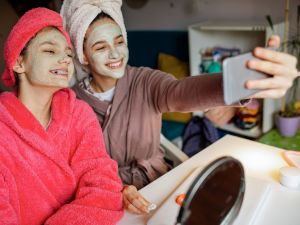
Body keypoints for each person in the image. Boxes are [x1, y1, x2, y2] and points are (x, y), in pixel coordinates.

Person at [60, 0, 299, 214]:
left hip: (160, 184)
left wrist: (243, 83)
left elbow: (183, 93)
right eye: (100, 47)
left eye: (119, 41)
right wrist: (116, 189)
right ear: (82, 55)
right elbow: (77, 169)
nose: (115, 53)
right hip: (107, 200)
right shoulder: (70, 102)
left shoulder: (145, 81)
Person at [0, 8, 124, 225]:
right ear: (18, 63)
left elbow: (104, 186)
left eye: (68, 54)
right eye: (50, 51)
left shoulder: (79, 114)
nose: (65, 60)